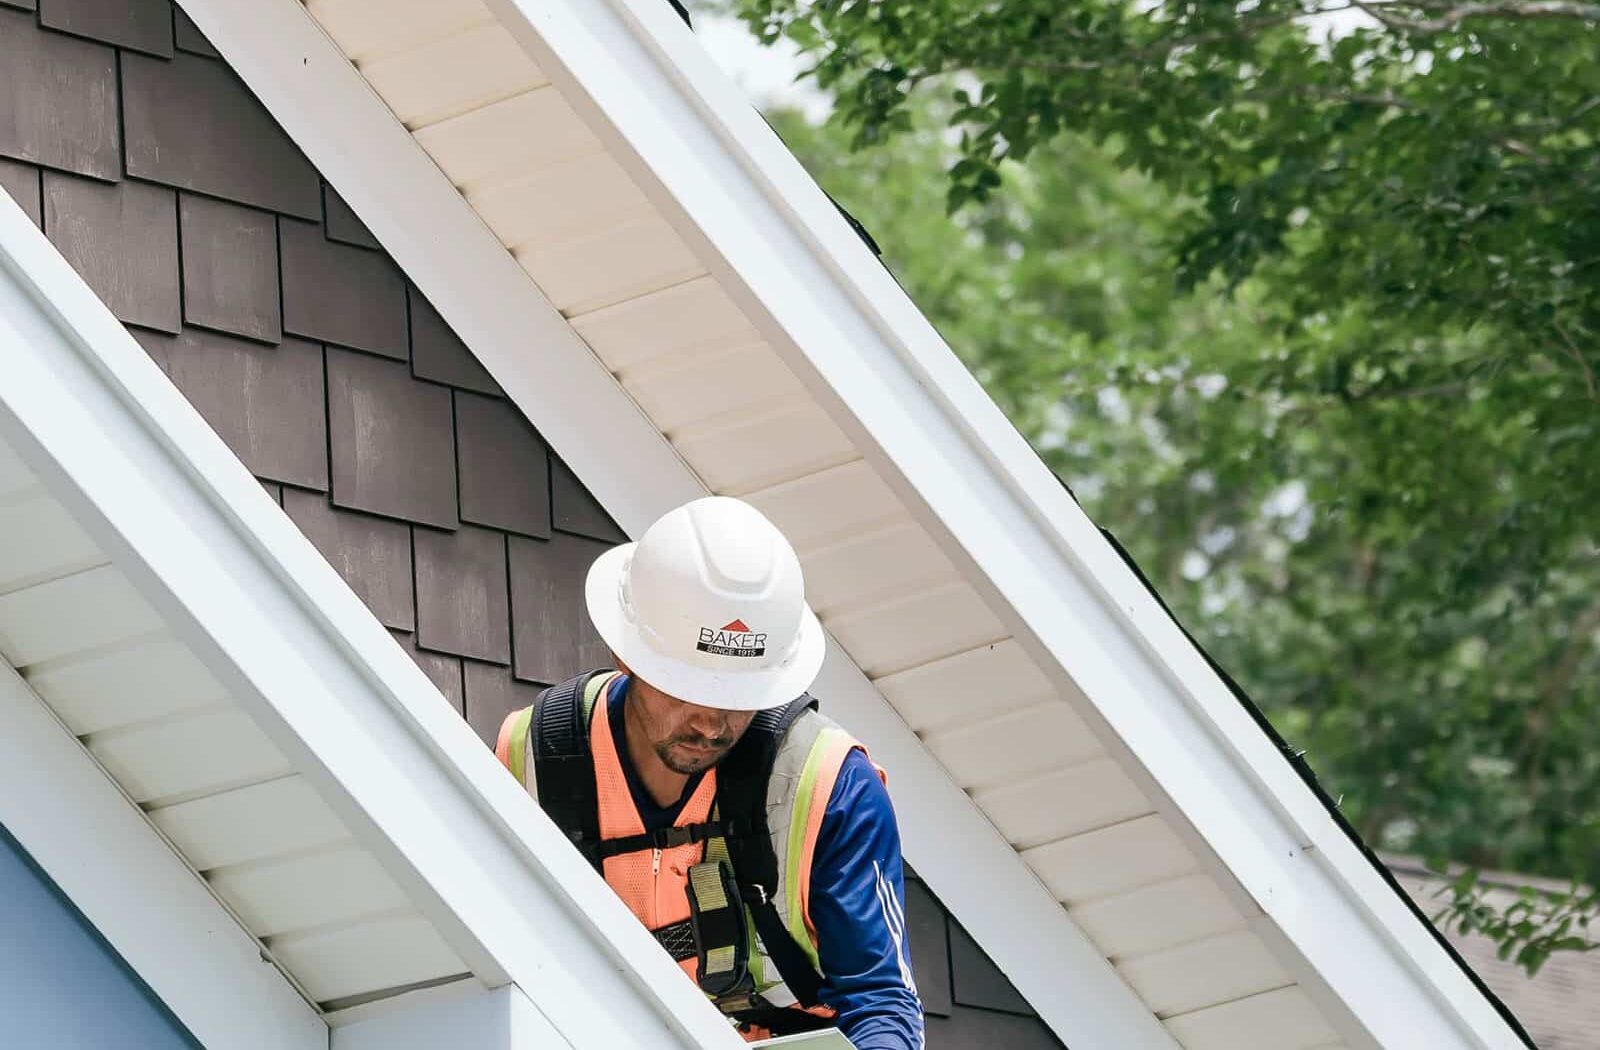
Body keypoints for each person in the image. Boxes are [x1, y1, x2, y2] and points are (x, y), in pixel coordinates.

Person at [496, 496, 923, 1048]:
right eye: (688, 689)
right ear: (626, 656)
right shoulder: (537, 756)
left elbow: (883, 1006)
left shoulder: (828, 786)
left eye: (739, 696)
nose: (712, 724)